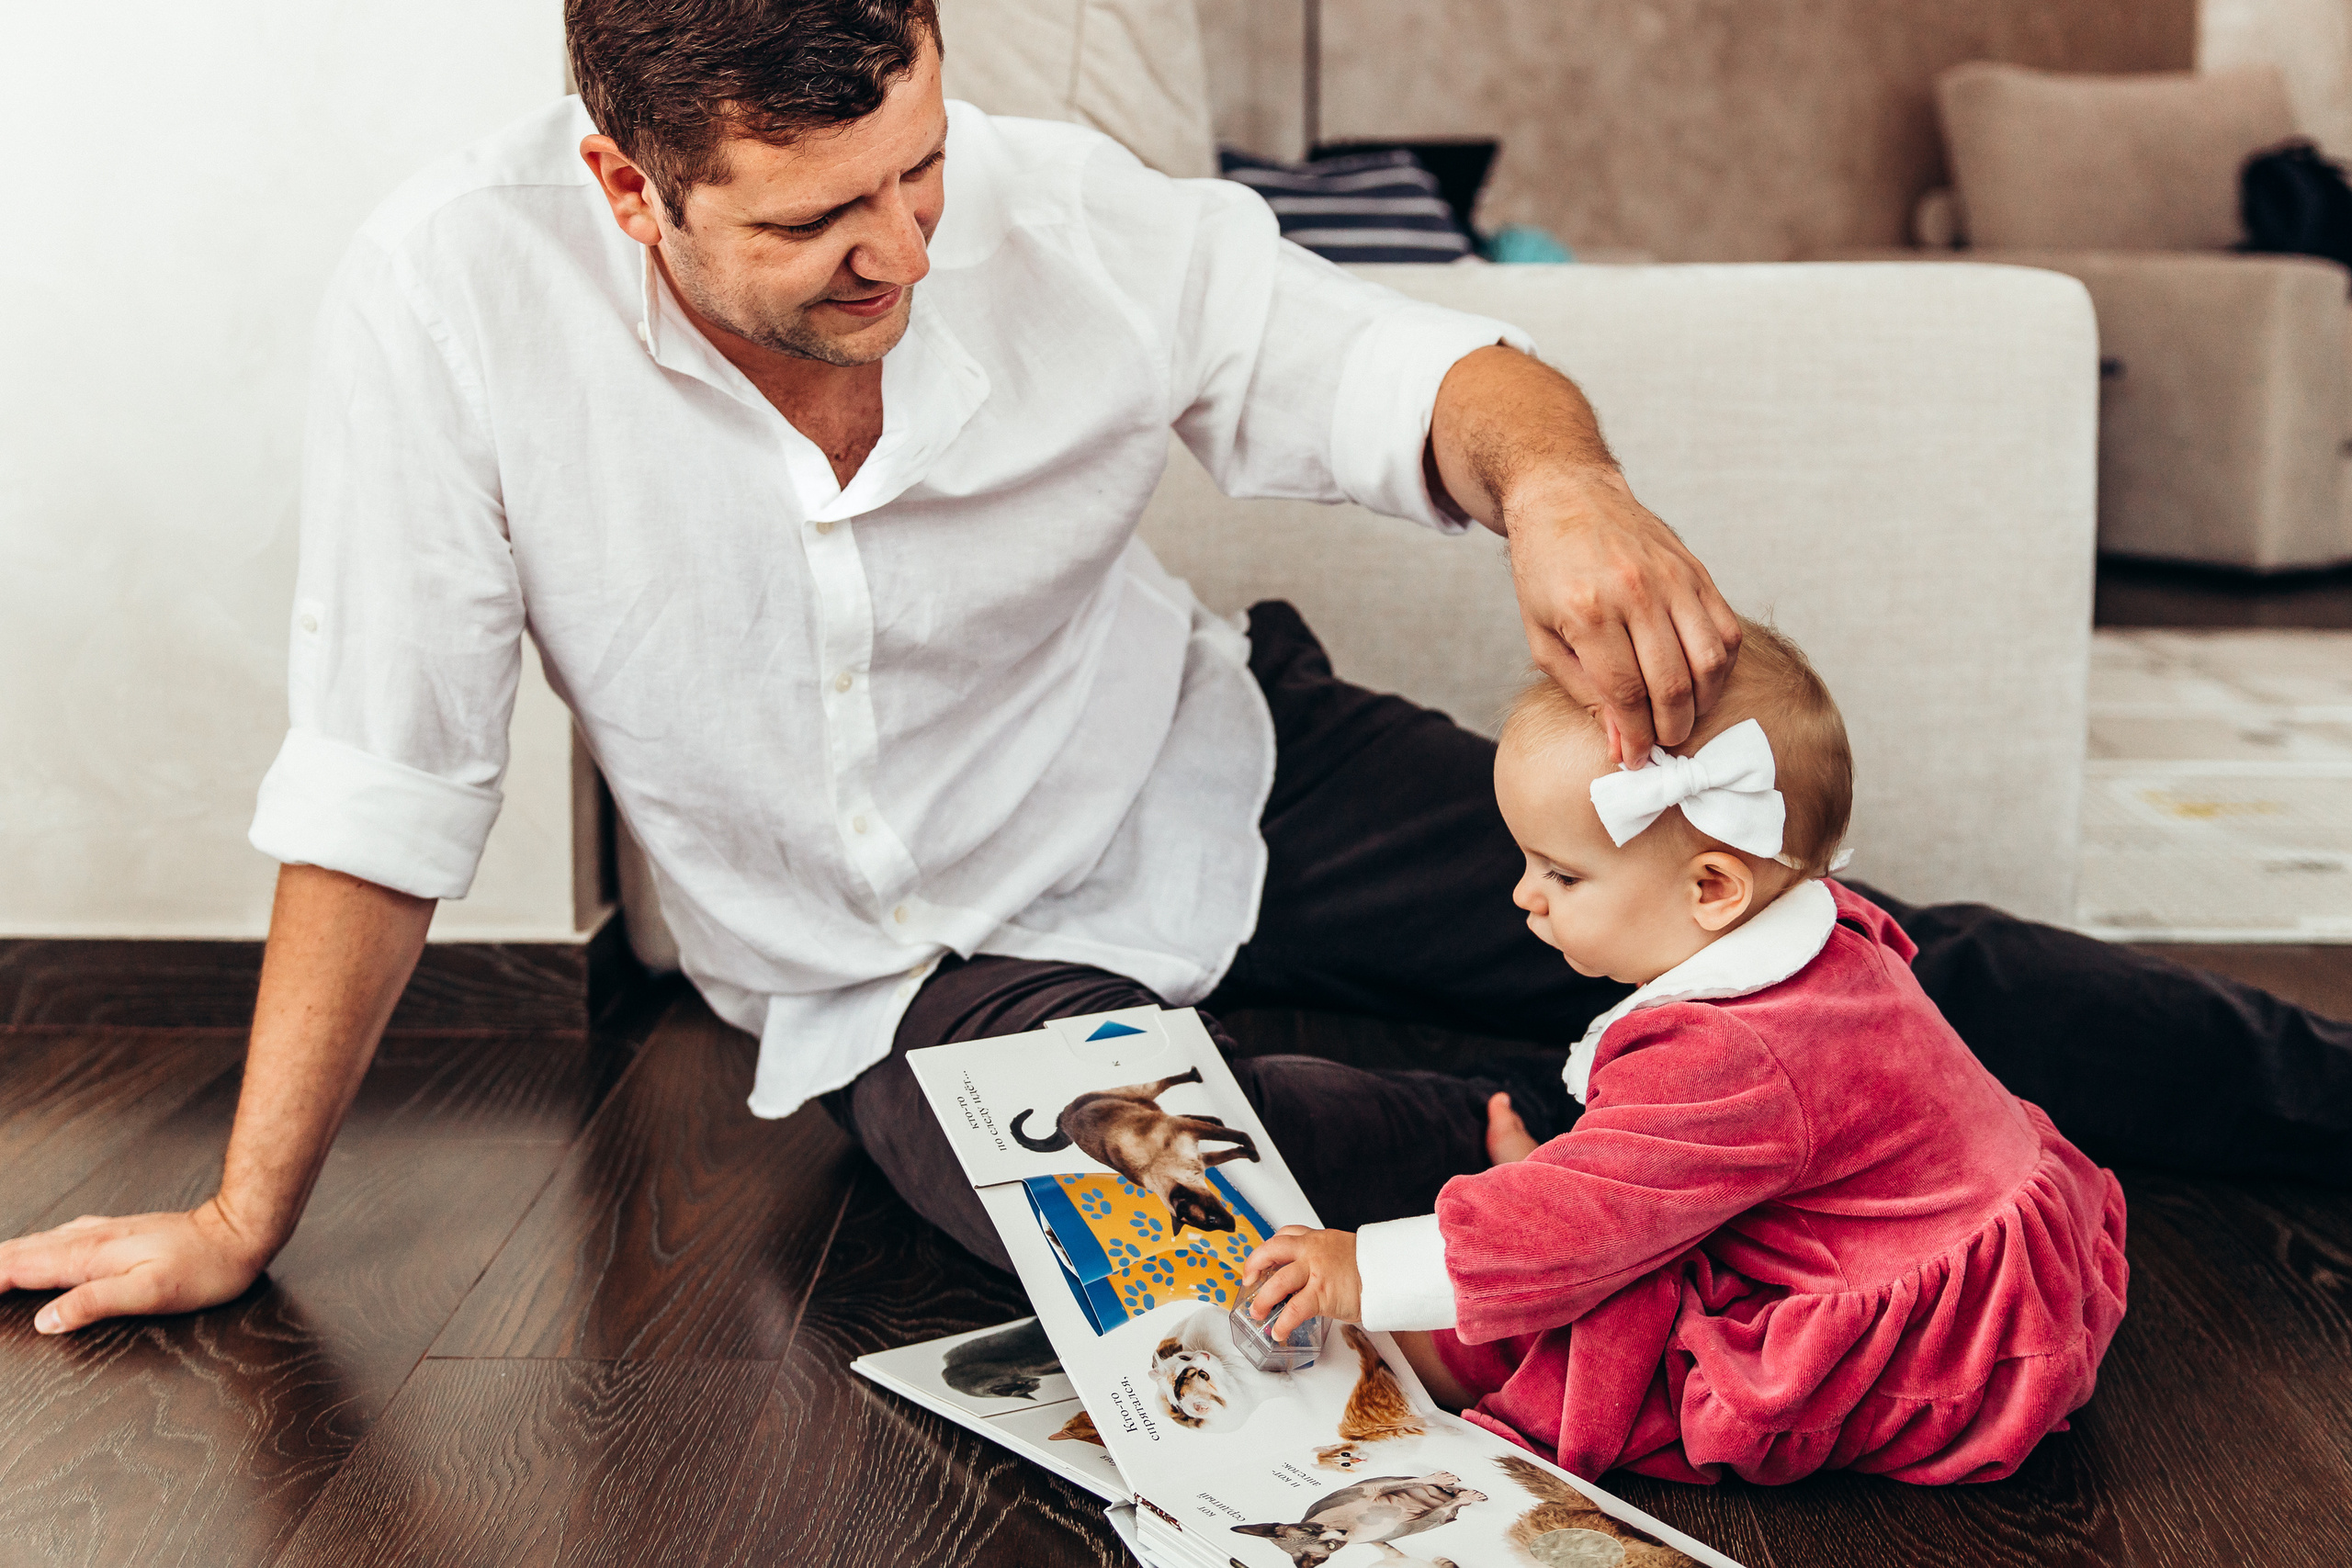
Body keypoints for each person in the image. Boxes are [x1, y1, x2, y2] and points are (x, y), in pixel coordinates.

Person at [0, 0, 2342, 1335]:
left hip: (1216, 764)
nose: (904, 243)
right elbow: (385, 777)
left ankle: (2282, 1088)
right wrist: (241, 1210)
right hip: (900, 969)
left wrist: (1555, 481)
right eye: (817, 217)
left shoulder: (1044, 211)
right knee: (1091, 1212)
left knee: (1825, 947)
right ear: (627, 186)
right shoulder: (447, 299)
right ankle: (1646, 1173)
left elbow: (1416, 372)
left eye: (913, 162)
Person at [1238, 623, 2131, 1486]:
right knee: (1584, 1224)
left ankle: (1426, 1363)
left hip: (1943, 1356)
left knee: (1590, 1317)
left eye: (1560, 874)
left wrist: (1366, 1271)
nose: (1522, 897)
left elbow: (1575, 1229)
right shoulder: (1828, 933)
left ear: (1711, 888)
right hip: (1992, 1244)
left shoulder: (1722, 1055)